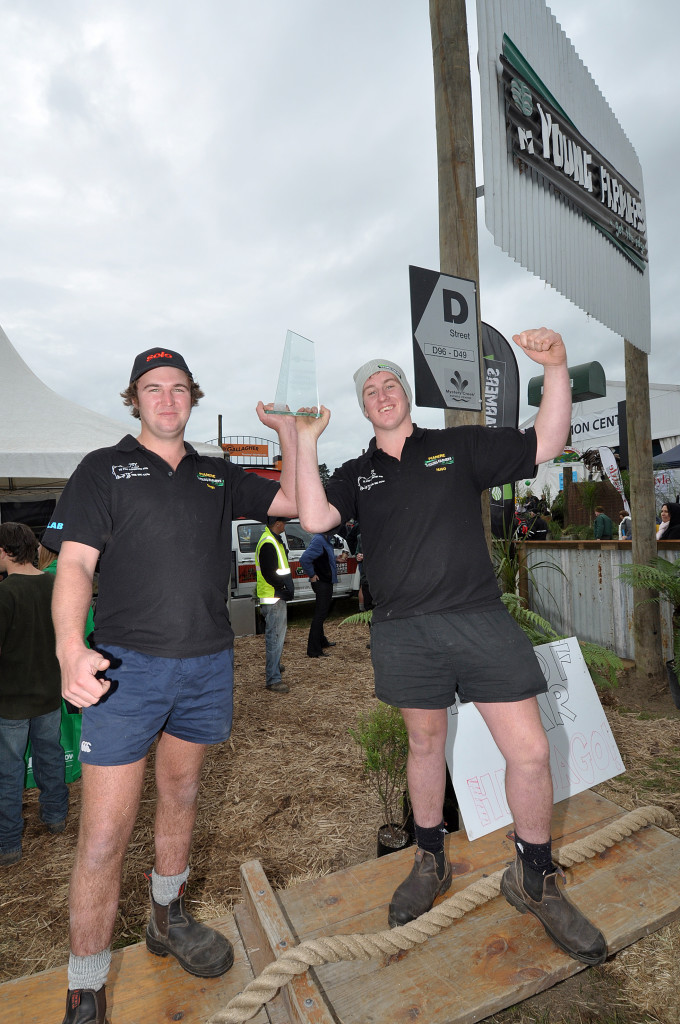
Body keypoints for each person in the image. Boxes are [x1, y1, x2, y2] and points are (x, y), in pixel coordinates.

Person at [293, 329, 607, 966]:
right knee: (425, 744)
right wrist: (302, 440)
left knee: (531, 749)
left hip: (478, 617)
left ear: (406, 394)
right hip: (405, 628)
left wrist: (556, 366)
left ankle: (534, 877)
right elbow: (314, 519)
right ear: (363, 407)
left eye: (390, 384)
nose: (382, 394)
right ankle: (430, 859)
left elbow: (545, 443)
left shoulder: (456, 446)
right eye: (370, 390)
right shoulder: (358, 473)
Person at [41, 347, 297, 1024]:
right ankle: (87, 986)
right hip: (128, 668)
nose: (166, 398)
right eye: (152, 388)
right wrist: (71, 647)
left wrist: (290, 437)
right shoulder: (103, 469)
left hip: (208, 663)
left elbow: (297, 501)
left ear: (193, 396)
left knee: (181, 796)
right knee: (103, 835)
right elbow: (72, 566)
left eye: (178, 387)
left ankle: (166, 918)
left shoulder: (218, 474)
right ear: (134, 398)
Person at [0, 522, 69, 866]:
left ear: (4, 550)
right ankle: (56, 819)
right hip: (49, 693)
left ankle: (8, 845)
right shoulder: (55, 584)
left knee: (8, 772)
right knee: (50, 757)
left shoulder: (5, 593)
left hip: (11, 700)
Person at [255, 517, 294, 690]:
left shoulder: (271, 540)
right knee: (275, 639)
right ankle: (273, 679)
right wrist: (282, 588)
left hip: (273, 596)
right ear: (277, 524)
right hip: (274, 597)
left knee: (275, 638)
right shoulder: (269, 543)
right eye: (284, 522)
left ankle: (274, 666)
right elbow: (269, 573)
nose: (285, 525)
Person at [300, 532, 338, 658]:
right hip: (322, 582)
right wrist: (311, 575)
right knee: (320, 614)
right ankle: (314, 650)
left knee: (322, 613)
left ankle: (322, 641)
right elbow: (305, 559)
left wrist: (335, 559)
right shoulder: (319, 540)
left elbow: (322, 557)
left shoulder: (325, 539)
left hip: (325, 581)